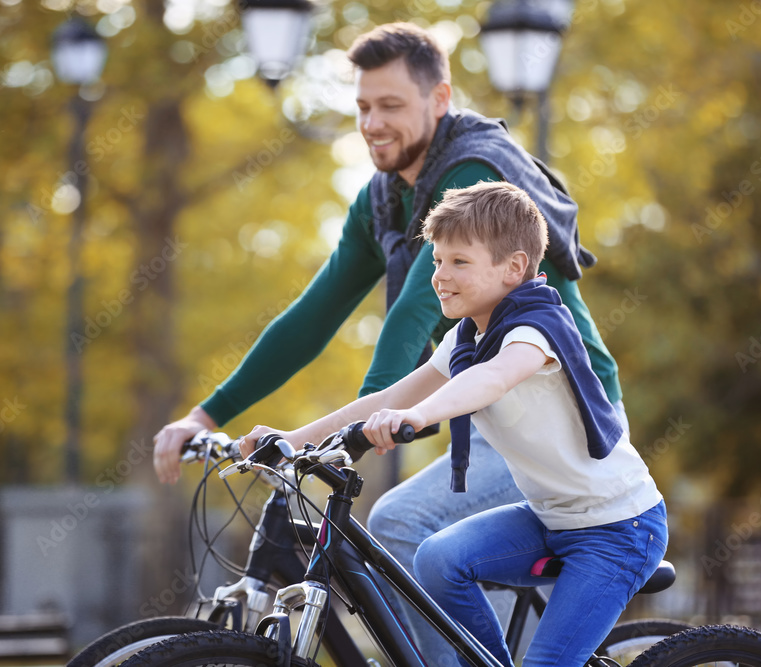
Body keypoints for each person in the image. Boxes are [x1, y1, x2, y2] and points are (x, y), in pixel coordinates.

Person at [154, 22, 627, 661]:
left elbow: (413, 314)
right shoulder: (383, 198)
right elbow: (312, 315)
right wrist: (206, 415)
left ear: (439, 100)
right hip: (486, 409)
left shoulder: (474, 171)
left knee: (401, 523)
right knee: (418, 543)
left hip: (563, 417)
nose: (372, 123)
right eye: (363, 107)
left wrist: (367, 428)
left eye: (391, 106)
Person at [242, 181, 667, 667]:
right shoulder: (466, 338)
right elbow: (389, 395)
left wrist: (416, 416)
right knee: (437, 560)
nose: (440, 275)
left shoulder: (539, 329)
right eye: (437, 261)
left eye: (459, 262)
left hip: (619, 528)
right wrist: (291, 439)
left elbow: (492, 379)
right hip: (552, 518)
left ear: (514, 268)